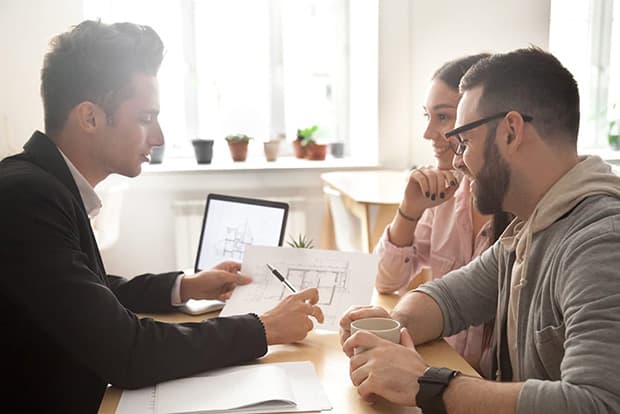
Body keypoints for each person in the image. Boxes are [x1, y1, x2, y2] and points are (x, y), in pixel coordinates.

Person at [0, 20, 324, 412]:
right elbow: (126, 352)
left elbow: (92, 293)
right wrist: (263, 327)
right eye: (144, 118)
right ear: (89, 117)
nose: (158, 138)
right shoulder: (26, 198)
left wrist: (186, 286)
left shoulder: (43, 183)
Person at [340, 47, 620, 413]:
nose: (458, 160)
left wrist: (427, 384)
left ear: (511, 131)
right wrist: (390, 326)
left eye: (466, 142)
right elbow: (447, 299)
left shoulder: (599, 242)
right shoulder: (530, 228)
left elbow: (598, 403)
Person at [374, 53, 511, 377]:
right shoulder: (446, 194)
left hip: (482, 388)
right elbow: (386, 280)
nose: (428, 133)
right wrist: (409, 211)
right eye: (427, 116)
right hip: (443, 368)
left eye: (444, 117)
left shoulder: (520, 208)